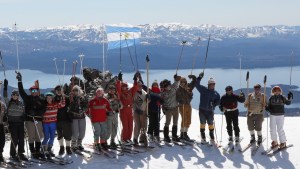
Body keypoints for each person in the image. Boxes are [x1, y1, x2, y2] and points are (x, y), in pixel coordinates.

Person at [16, 72, 46, 159]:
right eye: (32, 90)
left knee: (39, 136)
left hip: (38, 120)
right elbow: (21, 92)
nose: (34, 92)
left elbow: (44, 109)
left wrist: (37, 113)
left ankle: (38, 151)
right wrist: (20, 81)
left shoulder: (41, 99)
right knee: (31, 136)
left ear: (37, 91)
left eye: (35, 90)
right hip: (30, 120)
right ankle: (33, 152)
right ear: (30, 91)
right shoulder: (27, 98)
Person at [3, 79, 27, 161]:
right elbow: (5, 96)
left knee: (21, 139)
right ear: (12, 96)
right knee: (14, 139)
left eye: (16, 95)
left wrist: (24, 116)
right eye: (14, 95)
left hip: (20, 123)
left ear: (18, 96)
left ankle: (21, 153)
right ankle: (13, 154)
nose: (15, 96)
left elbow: (23, 112)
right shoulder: (9, 103)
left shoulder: (21, 103)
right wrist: (5, 87)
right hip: (12, 123)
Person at [195, 73, 220, 145]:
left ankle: (211, 134)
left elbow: (218, 101)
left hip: (210, 111)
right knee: (202, 123)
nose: (212, 85)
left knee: (210, 123)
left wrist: (214, 103)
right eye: (211, 84)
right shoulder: (203, 89)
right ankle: (202, 135)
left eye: (213, 84)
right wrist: (199, 78)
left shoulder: (216, 93)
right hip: (202, 110)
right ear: (208, 84)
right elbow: (196, 85)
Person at [116, 72, 139, 144]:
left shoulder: (129, 92)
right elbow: (118, 88)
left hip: (129, 109)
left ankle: (128, 138)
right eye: (123, 86)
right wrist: (119, 80)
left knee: (130, 125)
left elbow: (135, 88)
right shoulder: (120, 93)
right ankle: (124, 139)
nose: (124, 87)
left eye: (125, 86)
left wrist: (135, 80)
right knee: (125, 125)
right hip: (123, 110)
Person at [42, 91, 65, 157]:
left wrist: (63, 96)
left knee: (52, 137)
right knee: (46, 137)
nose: (49, 99)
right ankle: (43, 149)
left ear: (52, 98)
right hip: (45, 123)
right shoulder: (44, 105)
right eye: (47, 98)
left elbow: (62, 105)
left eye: (50, 97)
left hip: (53, 123)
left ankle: (49, 149)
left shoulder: (55, 104)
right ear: (46, 98)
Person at [160, 74, 181, 143]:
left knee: (175, 122)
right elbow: (160, 99)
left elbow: (177, 81)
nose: (168, 87)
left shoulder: (173, 88)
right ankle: (166, 136)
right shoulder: (163, 93)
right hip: (168, 109)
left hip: (175, 108)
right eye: (166, 86)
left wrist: (176, 78)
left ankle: (174, 135)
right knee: (167, 123)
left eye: (168, 85)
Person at [176, 75, 196, 141]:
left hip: (188, 105)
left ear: (186, 82)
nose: (183, 83)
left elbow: (193, 83)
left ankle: (185, 132)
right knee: (184, 119)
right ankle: (182, 134)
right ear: (180, 82)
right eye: (181, 82)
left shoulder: (188, 87)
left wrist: (193, 77)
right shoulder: (178, 89)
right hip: (182, 105)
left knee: (189, 120)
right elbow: (177, 97)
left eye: (184, 82)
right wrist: (180, 101)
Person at [54, 85, 72, 155]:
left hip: (66, 119)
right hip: (57, 120)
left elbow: (71, 105)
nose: (59, 91)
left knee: (68, 134)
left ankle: (68, 148)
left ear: (62, 90)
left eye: (60, 90)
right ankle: (61, 147)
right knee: (60, 135)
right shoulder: (53, 99)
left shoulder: (67, 98)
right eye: (57, 90)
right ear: (55, 91)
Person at [69, 85, 88, 151]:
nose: (75, 92)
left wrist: (85, 99)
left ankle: (79, 143)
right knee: (75, 132)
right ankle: (73, 144)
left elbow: (86, 105)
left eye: (76, 90)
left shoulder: (82, 98)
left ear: (79, 90)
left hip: (82, 116)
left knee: (82, 132)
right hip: (74, 117)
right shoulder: (70, 98)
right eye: (73, 90)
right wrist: (71, 98)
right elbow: (69, 107)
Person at [132, 80, 148, 145]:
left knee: (144, 125)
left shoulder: (144, 92)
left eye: (141, 85)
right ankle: (135, 138)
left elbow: (147, 102)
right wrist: (136, 109)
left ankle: (142, 138)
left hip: (144, 111)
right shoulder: (134, 93)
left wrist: (148, 98)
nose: (140, 87)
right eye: (139, 86)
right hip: (137, 112)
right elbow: (132, 102)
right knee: (137, 126)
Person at [0, 81, 6, 162]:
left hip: (1, 124)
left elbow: (5, 112)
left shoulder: (2, 105)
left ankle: (0, 154)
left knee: (2, 140)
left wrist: (5, 117)